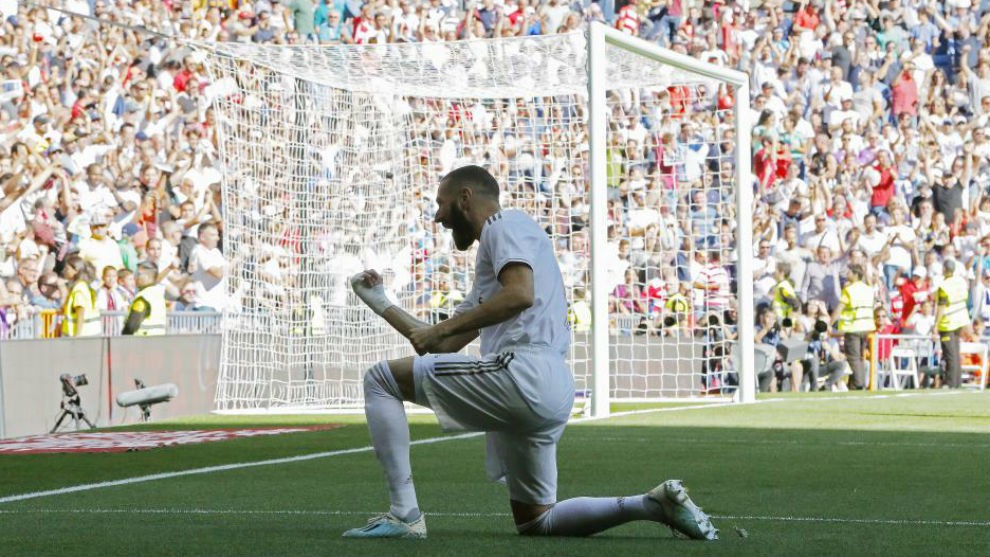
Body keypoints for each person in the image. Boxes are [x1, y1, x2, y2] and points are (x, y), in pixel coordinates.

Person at [346, 165, 716, 540]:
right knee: (537, 521)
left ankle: (404, 515)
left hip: (522, 372)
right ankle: (650, 505)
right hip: (550, 385)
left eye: (441, 204)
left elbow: (520, 295)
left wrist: (441, 329)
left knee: (381, 380)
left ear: (465, 198)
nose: (437, 215)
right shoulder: (496, 259)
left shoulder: (505, 225)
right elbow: (440, 343)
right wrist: (380, 302)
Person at [831, 263, 875, 389]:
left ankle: (859, 383)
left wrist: (829, 324)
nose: (847, 274)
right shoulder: (868, 288)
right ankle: (856, 384)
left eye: (849, 272)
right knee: (861, 357)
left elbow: (839, 308)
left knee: (853, 358)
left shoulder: (849, 290)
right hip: (866, 327)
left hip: (853, 327)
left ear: (855, 274)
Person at [933, 260, 970, 388]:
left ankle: (950, 383)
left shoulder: (944, 286)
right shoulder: (961, 282)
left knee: (949, 354)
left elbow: (942, 307)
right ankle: (957, 382)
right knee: (955, 353)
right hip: (960, 320)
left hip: (948, 323)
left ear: (944, 269)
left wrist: (935, 325)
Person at [122, 264, 167, 336]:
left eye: (138, 274)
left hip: (142, 341)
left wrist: (123, 337)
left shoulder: (143, 297)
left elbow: (132, 325)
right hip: (159, 339)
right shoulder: (158, 294)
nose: (135, 278)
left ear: (147, 277)